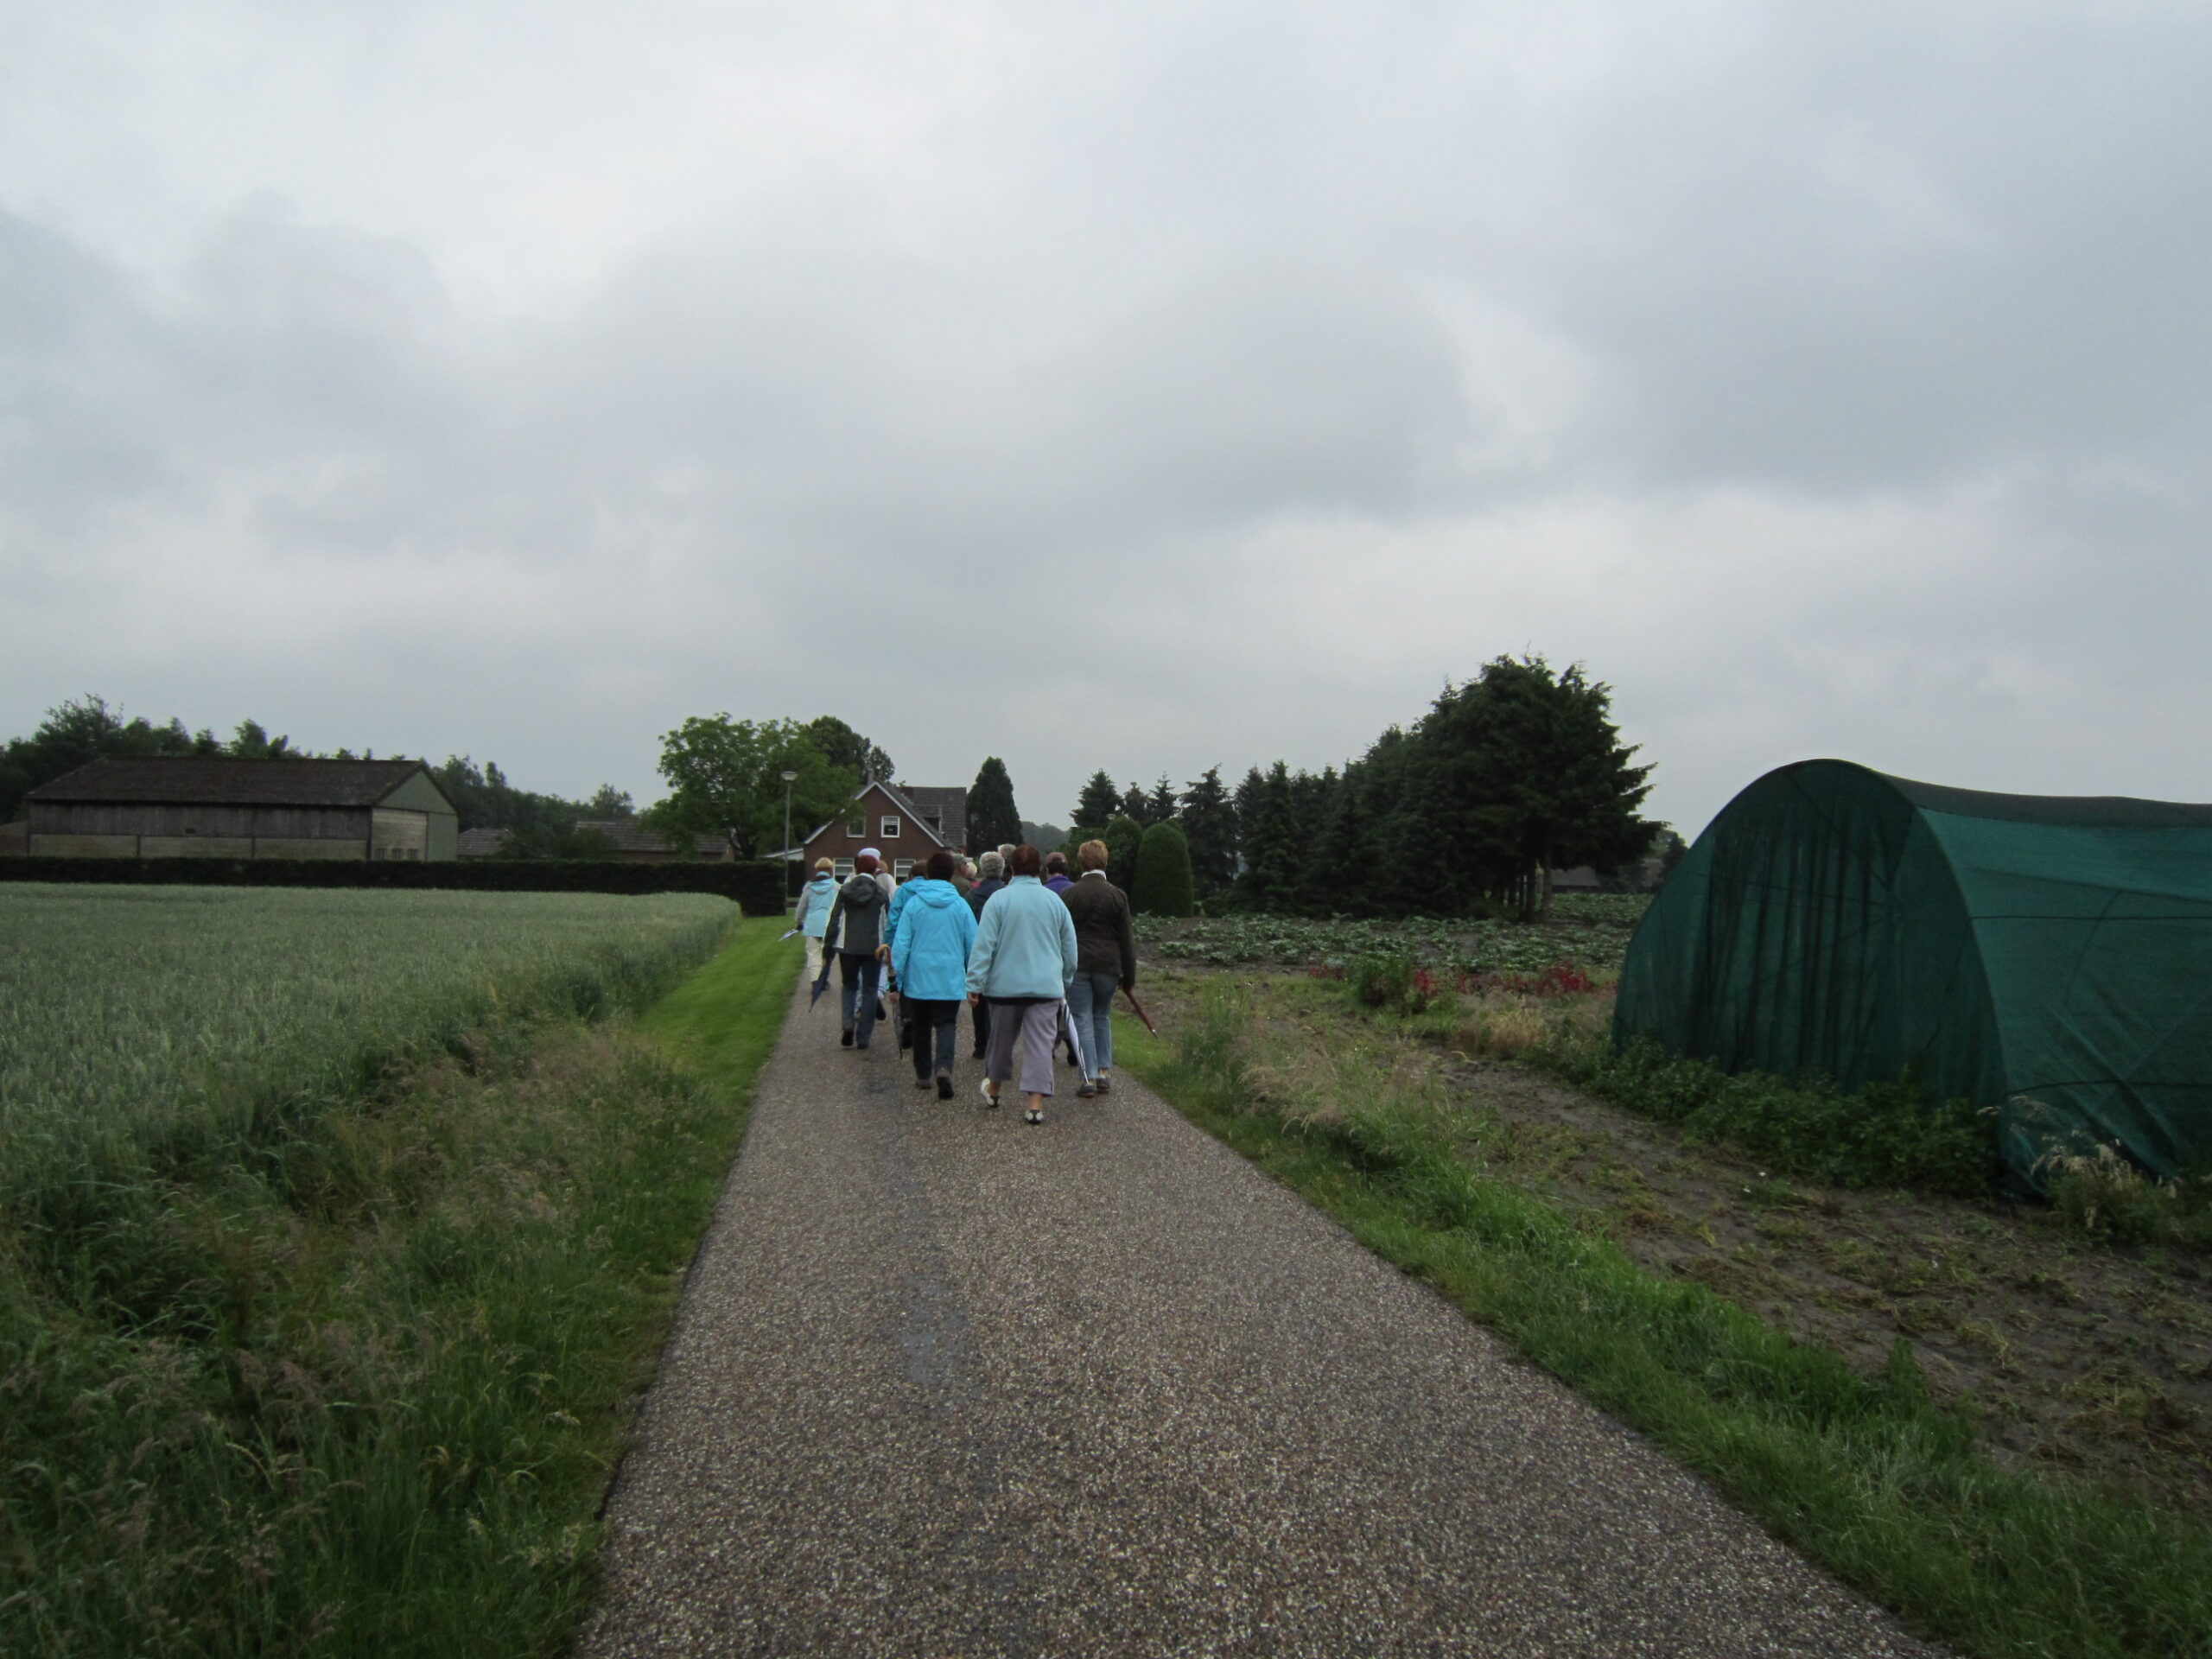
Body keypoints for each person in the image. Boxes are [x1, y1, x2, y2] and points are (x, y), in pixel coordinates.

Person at [967, 843, 1077, 1125]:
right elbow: (1070, 948)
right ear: (1039, 868)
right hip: (1045, 986)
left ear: (1012, 868)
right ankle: (1035, 1105)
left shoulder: (999, 900)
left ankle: (994, 1089)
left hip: (1004, 986)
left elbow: (984, 945)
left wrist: (975, 983)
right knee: (1040, 1045)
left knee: (1000, 1041)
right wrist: (1064, 979)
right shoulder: (1055, 902)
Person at [886, 849, 976, 1096]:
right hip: (949, 976)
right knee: (946, 1024)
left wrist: (895, 980)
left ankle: (923, 1073)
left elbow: (902, 944)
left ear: (928, 873)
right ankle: (944, 1067)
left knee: (921, 1026)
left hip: (919, 977)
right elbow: (973, 943)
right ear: (951, 873)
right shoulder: (960, 905)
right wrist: (974, 979)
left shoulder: (914, 904)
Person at [1060, 838, 1136, 1098]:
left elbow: (1062, 935)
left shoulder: (1069, 895)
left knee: (1081, 1018)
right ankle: (1104, 1072)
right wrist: (1129, 976)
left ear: (1081, 862)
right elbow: (1126, 940)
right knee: (1102, 1016)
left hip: (1078, 964)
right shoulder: (1117, 895)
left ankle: (1088, 1076)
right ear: (1105, 861)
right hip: (1108, 965)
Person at [823, 851, 890, 1049]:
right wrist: (890, 947)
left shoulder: (845, 891)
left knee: (849, 986)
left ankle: (848, 1023)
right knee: (870, 990)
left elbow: (835, 919)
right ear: (875, 870)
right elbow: (888, 923)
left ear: (856, 868)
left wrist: (828, 947)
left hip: (848, 946)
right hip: (873, 947)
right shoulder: (881, 894)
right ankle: (864, 1037)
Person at [965, 851, 1009, 1058]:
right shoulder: (1006, 894)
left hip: (977, 948)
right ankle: (996, 1041)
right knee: (998, 1000)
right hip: (1001, 951)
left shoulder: (973, 895)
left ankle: (980, 1044)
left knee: (979, 998)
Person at [793, 857, 838, 976]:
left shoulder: (809, 886)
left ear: (817, 869)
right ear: (830, 869)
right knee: (828, 953)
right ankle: (824, 978)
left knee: (813, 953)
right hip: (829, 924)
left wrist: (798, 921)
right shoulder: (836, 886)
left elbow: (802, 906)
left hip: (812, 924)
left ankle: (815, 979)